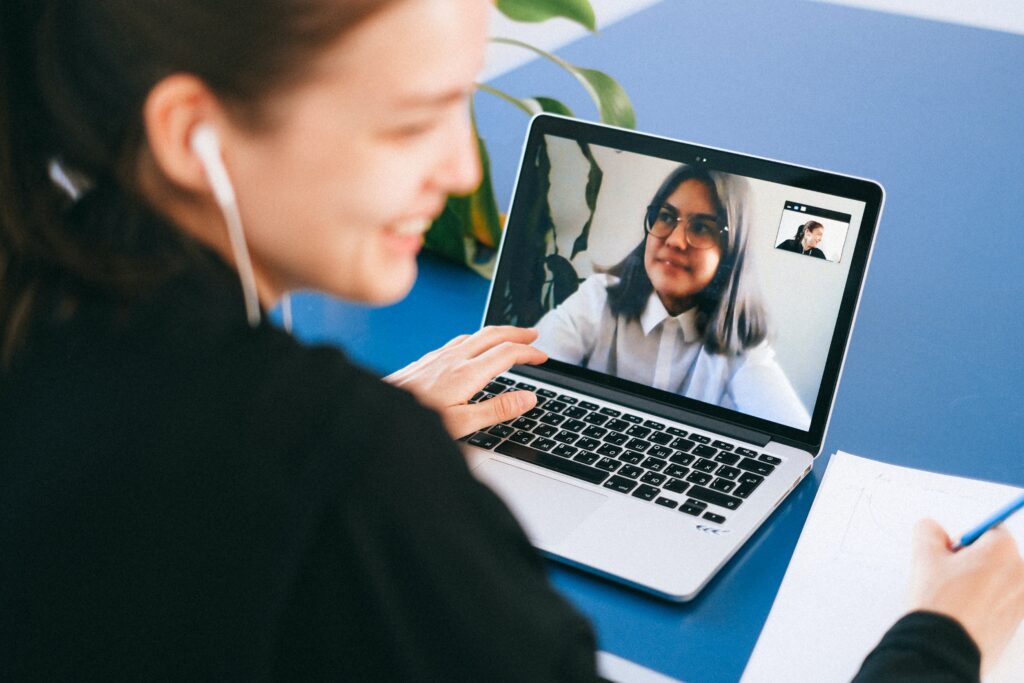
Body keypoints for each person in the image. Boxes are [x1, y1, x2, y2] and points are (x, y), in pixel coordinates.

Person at [1, 1, 1022, 680]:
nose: (459, 168)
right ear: (194, 133)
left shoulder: (44, 311)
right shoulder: (353, 475)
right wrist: (941, 638)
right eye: (411, 120)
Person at [533, 165, 812, 428]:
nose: (675, 240)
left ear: (730, 250)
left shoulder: (741, 344)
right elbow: (525, 371)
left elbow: (790, 436)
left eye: (701, 227)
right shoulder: (598, 298)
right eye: (666, 217)